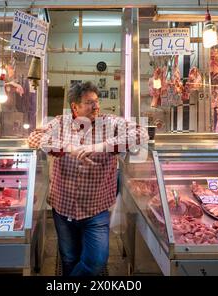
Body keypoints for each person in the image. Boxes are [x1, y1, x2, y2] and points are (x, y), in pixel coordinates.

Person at [28, 81, 148, 276]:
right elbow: (33, 138)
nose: (96, 106)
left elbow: (141, 134)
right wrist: (70, 149)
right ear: (75, 106)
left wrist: (99, 147)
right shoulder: (60, 122)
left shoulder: (110, 123)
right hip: (63, 207)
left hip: (96, 209)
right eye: (89, 102)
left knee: (96, 261)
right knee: (68, 258)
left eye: (97, 101)